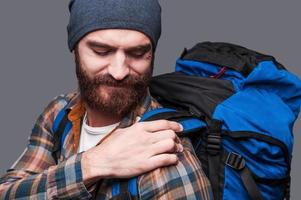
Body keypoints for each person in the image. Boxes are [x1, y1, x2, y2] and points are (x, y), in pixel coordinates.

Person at [0, 0, 212, 199]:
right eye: (101, 51)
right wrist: (91, 165)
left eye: (137, 53)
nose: (119, 72)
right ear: (75, 49)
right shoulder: (59, 112)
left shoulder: (164, 154)